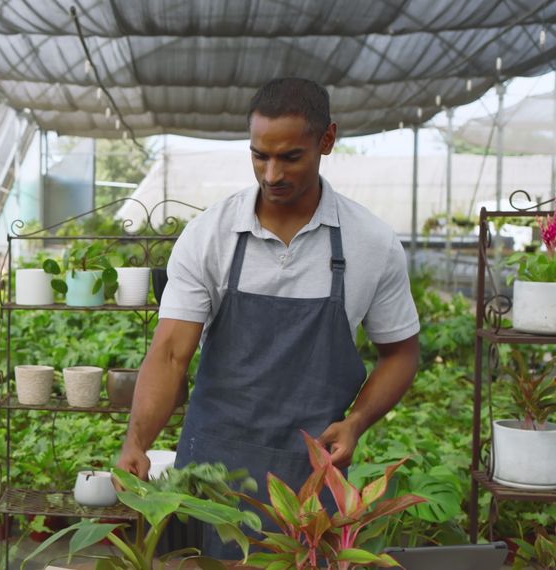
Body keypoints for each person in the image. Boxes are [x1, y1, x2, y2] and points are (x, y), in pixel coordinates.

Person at [115, 77, 420, 558]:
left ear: (326, 141)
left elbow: (400, 352)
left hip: (308, 479)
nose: (272, 173)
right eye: (259, 155)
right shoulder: (212, 234)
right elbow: (171, 352)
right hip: (212, 478)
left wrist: (357, 422)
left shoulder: (371, 243)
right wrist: (136, 442)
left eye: (290, 157)